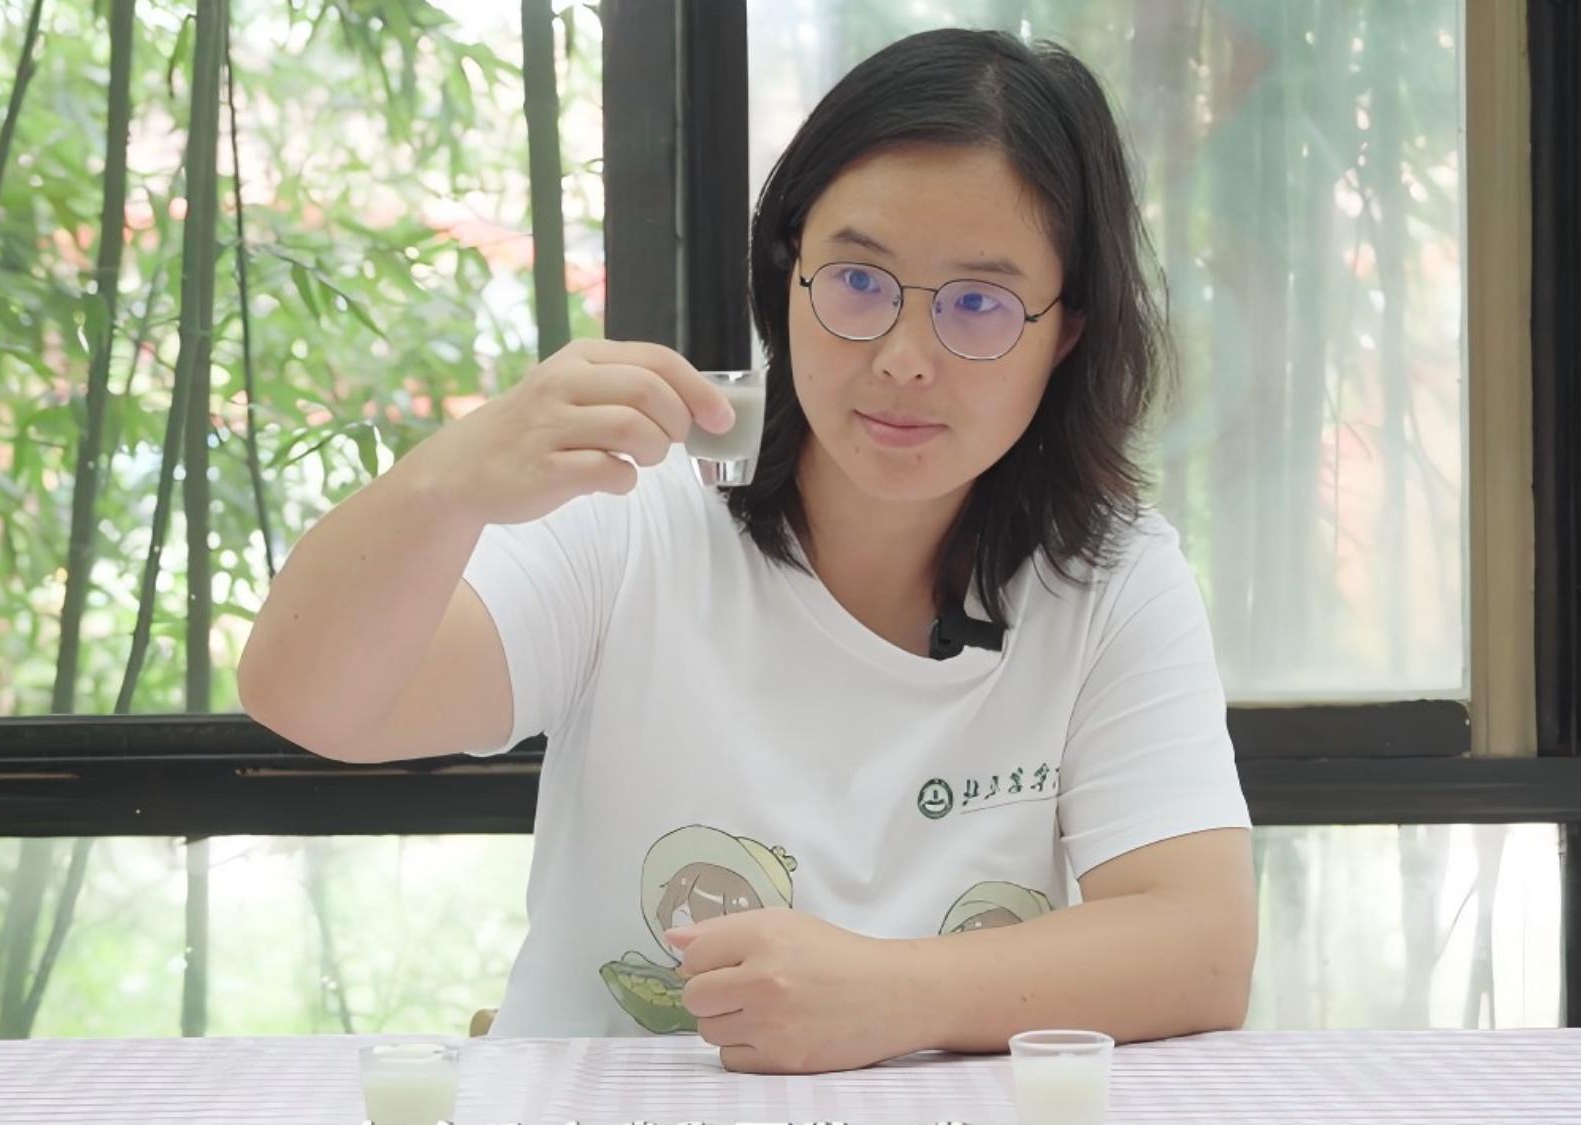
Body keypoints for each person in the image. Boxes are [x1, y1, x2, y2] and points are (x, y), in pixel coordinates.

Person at [238, 27, 1256, 1075]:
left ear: (1067, 329)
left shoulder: (1109, 579)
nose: (905, 359)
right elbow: (314, 703)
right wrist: (444, 484)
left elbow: (1200, 947)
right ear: (788, 271)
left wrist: (887, 995)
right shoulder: (634, 507)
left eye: (978, 304)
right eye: (858, 281)